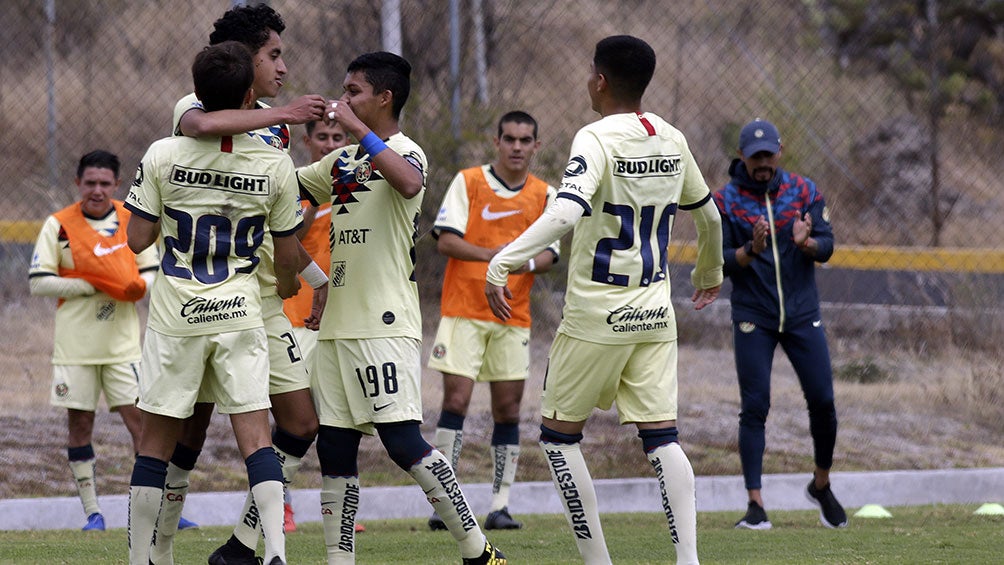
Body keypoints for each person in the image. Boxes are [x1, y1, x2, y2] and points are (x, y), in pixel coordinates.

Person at [485, 35, 723, 564]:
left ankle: (598, 562)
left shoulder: (594, 138)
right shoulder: (671, 136)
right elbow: (708, 215)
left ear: (600, 80)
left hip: (597, 315)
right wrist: (710, 270)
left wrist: (501, 261)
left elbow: (566, 215)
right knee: (662, 438)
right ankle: (688, 560)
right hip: (656, 311)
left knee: (559, 438)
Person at [297, 51, 506, 565]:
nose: (343, 100)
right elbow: (292, 188)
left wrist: (354, 128)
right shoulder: (341, 161)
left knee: (403, 443)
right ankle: (338, 559)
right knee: (335, 450)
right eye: (343, 92)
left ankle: (478, 552)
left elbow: (409, 183)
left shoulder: (405, 151)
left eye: (354, 92)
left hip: (384, 326)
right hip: (337, 329)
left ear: (384, 98)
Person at [149, 4, 331, 563]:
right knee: (191, 435)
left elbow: (275, 217)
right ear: (241, 59)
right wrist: (287, 116)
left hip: (263, 301)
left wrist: (316, 277)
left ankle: (244, 546)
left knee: (300, 423)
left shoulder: (274, 123)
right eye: (273, 55)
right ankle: (159, 545)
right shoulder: (197, 105)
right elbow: (201, 126)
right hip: (208, 299)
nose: (282, 66)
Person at [123, 41, 301, 565]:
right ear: (249, 94)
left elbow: (136, 239)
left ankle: (142, 558)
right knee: (256, 437)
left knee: (156, 443)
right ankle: (275, 552)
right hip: (240, 312)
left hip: (176, 314)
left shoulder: (163, 152)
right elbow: (287, 255)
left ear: (196, 95)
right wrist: (289, 285)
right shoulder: (275, 164)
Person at [426, 111, 559, 532]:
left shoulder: (544, 195)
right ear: (497, 142)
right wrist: (495, 259)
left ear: (536, 145)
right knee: (456, 403)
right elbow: (446, 239)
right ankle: (445, 504)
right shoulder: (469, 182)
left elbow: (550, 255)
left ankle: (500, 505)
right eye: (510, 139)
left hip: (512, 316)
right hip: (464, 310)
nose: (517, 147)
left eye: (525, 140)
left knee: (508, 410)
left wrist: (517, 263)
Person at [713, 119, 847, 531]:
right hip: (754, 314)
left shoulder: (803, 192)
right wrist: (750, 250)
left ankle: (821, 485)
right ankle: (755, 505)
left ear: (780, 152)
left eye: (769, 155)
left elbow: (827, 247)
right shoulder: (725, 202)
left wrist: (806, 242)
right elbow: (716, 261)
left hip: (803, 314)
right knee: (755, 406)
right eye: (755, 158)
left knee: (823, 401)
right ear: (742, 158)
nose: (763, 164)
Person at [28, 150, 157, 532]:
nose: (97, 190)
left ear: (117, 184)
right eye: (90, 183)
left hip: (122, 347)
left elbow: (150, 271)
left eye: (104, 183)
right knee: (80, 424)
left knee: (143, 425)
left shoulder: (133, 220)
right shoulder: (59, 225)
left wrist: (134, 286)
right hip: (77, 347)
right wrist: (93, 283)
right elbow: (38, 282)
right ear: (78, 184)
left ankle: (155, 511)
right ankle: (93, 512)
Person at [279, 118, 364, 534]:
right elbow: (290, 238)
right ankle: (281, 506)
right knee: (294, 420)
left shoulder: (358, 189)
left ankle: (343, 508)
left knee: (340, 418)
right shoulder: (299, 189)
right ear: (308, 141)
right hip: (299, 318)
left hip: (342, 319)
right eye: (323, 138)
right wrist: (311, 201)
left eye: (338, 138)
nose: (330, 144)